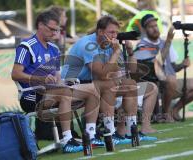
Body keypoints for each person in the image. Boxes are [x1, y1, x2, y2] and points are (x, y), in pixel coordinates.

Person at [11, 10, 103, 153]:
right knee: (64, 93)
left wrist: (68, 83)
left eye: (57, 30)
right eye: (51, 29)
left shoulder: (54, 49)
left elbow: (58, 79)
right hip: (31, 96)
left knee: (94, 89)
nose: (55, 33)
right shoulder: (26, 46)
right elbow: (15, 74)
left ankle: (90, 135)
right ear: (40, 25)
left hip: (54, 92)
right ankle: (67, 140)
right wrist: (40, 79)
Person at [62, 15, 157, 143]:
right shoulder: (88, 44)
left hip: (93, 83)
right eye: (111, 32)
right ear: (100, 32)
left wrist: (128, 53)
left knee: (130, 84)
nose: (115, 36)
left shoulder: (108, 44)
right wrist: (116, 53)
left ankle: (131, 131)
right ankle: (110, 132)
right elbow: (102, 74)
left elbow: (118, 72)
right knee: (108, 83)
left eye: (116, 32)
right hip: (73, 84)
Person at [133, 14, 193, 122]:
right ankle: (165, 114)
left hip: (170, 84)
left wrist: (182, 65)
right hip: (153, 86)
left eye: (155, 25)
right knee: (171, 79)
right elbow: (157, 64)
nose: (154, 29)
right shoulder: (142, 46)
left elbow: (172, 67)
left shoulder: (164, 42)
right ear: (144, 29)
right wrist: (168, 41)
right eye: (150, 27)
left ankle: (174, 110)